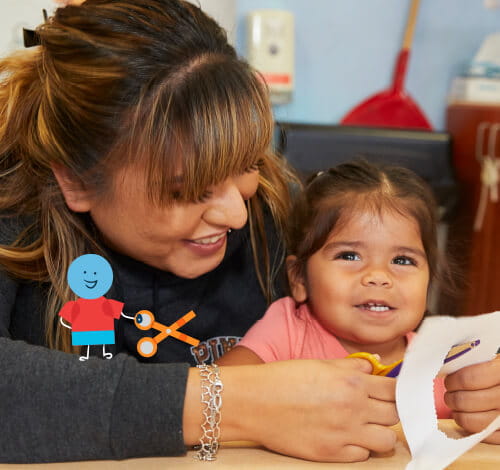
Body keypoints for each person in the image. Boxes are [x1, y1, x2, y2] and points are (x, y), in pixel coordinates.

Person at [0, 0, 399, 463]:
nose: (236, 216)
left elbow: (378, 326)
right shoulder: (12, 205)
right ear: (77, 180)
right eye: (189, 190)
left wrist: (461, 384)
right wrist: (235, 404)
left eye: (246, 164)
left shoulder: (273, 202)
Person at [218, 161, 500, 433]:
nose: (378, 276)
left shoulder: (446, 366)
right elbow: (212, 392)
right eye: (349, 256)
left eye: (403, 260)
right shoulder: (287, 329)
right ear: (299, 278)